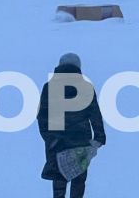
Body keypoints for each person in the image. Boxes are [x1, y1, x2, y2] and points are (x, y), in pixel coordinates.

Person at [37, 52, 105, 198]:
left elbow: (42, 117)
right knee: (79, 180)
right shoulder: (86, 88)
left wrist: (50, 139)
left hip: (57, 141)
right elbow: (95, 114)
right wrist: (99, 136)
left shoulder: (49, 87)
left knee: (59, 181)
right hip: (81, 141)